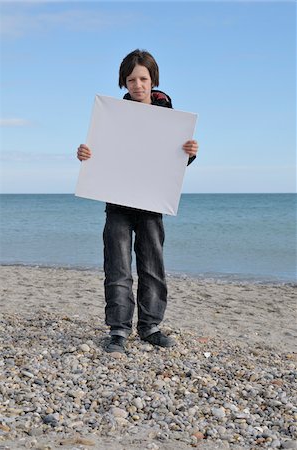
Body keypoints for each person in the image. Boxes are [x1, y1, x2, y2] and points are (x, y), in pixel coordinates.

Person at [77, 49, 198, 354]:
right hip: (117, 204)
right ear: (124, 82)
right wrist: (86, 155)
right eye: (131, 79)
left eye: (143, 78)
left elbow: (170, 167)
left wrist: (189, 153)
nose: (138, 84)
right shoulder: (113, 117)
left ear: (153, 79)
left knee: (152, 266)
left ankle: (151, 327)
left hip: (151, 205)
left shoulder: (170, 118)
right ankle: (118, 330)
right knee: (117, 267)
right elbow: (104, 156)